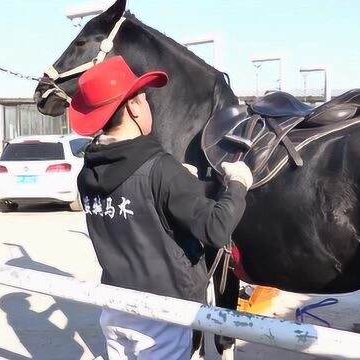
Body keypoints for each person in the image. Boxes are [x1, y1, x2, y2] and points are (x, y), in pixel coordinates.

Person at [68, 56, 253, 360]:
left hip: (114, 308)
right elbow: (216, 228)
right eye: (145, 98)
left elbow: (135, 204)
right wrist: (238, 185)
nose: (149, 105)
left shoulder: (86, 174)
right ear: (133, 108)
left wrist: (174, 180)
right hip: (162, 314)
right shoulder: (160, 170)